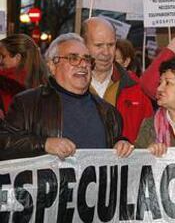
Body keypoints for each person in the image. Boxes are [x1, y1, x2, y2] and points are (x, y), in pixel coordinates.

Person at [0, 33, 133, 160]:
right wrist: (44, 144)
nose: (83, 65)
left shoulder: (109, 113)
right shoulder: (27, 103)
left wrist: (121, 144)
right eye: (73, 58)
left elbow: (112, 148)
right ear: (52, 66)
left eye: (87, 59)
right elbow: (4, 142)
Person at [81, 17, 153, 142]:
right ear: (83, 45)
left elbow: (150, 137)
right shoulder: (67, 86)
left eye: (111, 45)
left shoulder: (136, 88)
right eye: (99, 45)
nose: (106, 52)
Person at [0, 34, 48, 117]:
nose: (1, 61)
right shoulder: (43, 82)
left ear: (18, 58)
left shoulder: (6, 83)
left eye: (3, 56)